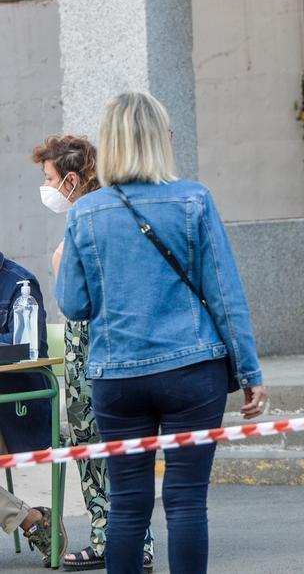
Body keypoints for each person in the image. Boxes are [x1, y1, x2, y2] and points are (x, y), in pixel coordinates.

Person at [56, 92, 268, 574]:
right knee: (187, 501)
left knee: (128, 505)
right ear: (160, 142)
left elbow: (73, 304)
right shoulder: (194, 200)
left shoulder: (85, 214)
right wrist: (250, 370)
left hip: (118, 376)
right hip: (193, 371)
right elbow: (225, 295)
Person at [32, 135, 156, 572]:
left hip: (101, 341)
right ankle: (111, 536)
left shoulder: (97, 214)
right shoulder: (92, 213)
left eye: (48, 178)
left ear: (69, 179)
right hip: (90, 340)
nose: (44, 188)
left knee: (108, 440)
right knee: (93, 440)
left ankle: (127, 541)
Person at [0, 254, 62, 566]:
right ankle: (30, 518)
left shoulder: (20, 285)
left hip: (17, 409)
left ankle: (32, 520)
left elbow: (26, 347)